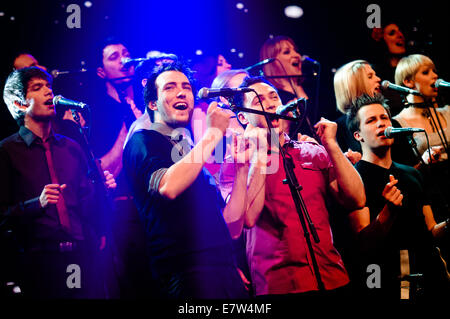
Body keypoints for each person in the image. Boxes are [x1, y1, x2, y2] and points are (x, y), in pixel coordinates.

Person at [122, 61, 250, 298]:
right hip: (186, 273)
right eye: (169, 87)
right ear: (152, 103)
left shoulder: (188, 152)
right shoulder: (143, 141)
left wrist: (242, 169)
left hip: (224, 269)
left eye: (186, 87)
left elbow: (232, 227)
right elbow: (168, 187)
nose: (181, 92)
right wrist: (212, 134)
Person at [234, 76, 366, 297]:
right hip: (280, 285)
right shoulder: (238, 160)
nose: (270, 103)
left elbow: (356, 199)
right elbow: (245, 218)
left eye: (274, 97)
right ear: (243, 117)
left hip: (332, 276)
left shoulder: (311, 151)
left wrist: (331, 145)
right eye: (258, 101)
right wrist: (260, 151)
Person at [0, 66, 116, 298]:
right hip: (39, 259)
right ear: (19, 104)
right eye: (37, 88)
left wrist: (103, 189)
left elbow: (86, 204)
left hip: (82, 254)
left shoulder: (71, 147)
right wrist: (37, 203)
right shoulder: (7, 151)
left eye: (48, 87)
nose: (48, 92)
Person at [346, 93, 449, 300]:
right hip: (386, 278)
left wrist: (447, 224)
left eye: (384, 118)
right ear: (358, 136)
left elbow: (431, 231)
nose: (381, 124)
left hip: (428, 274)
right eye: (371, 120)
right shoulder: (354, 179)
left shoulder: (412, 174)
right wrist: (388, 211)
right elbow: (364, 247)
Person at [89, 37, 149, 298]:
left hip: (157, 205)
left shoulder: (150, 104)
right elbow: (103, 172)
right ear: (101, 71)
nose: (124, 60)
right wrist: (128, 130)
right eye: (114, 57)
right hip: (123, 212)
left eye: (126, 54)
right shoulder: (96, 113)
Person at [333, 60, 381, 155]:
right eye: (370, 76)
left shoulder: (385, 113)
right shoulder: (339, 128)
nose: (378, 79)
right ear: (353, 85)